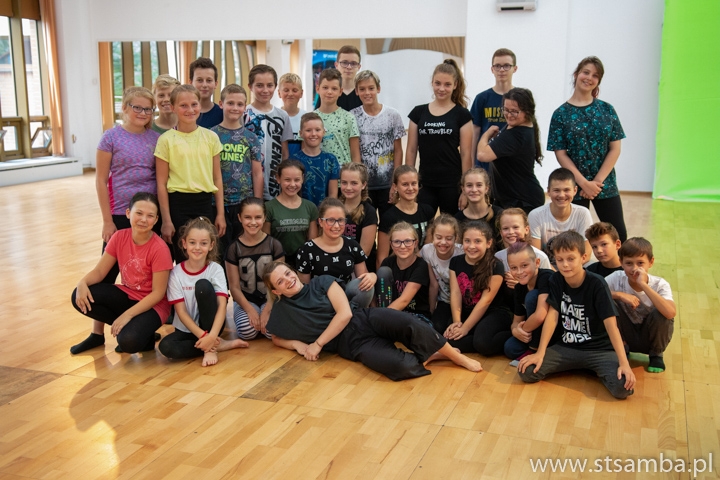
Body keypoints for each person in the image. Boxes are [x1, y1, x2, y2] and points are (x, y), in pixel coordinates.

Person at [263, 262, 483, 381]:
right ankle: (431, 355)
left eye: (288, 273)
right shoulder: (282, 311)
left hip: (364, 319)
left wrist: (318, 344)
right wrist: (297, 345)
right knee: (400, 367)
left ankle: (457, 357)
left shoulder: (321, 282)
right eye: (280, 281)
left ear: (294, 271)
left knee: (409, 323)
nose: (288, 280)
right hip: (351, 345)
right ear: (276, 291)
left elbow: (345, 314)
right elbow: (276, 337)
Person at [517, 231, 636, 399]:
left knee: (622, 387)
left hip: (600, 350)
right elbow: (552, 317)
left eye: (571, 259)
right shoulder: (556, 280)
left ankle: (595, 366)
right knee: (527, 372)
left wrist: (624, 363)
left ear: (583, 257)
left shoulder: (597, 283)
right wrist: (540, 352)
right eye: (560, 260)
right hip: (567, 347)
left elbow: (611, 326)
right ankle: (581, 366)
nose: (565, 265)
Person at [70, 193, 172, 355]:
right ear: (128, 213)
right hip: (128, 295)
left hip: (154, 305)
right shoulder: (119, 237)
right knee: (79, 296)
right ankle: (138, 331)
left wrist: (127, 316)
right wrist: (82, 283)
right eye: (139, 213)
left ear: (156, 220)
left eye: (150, 216)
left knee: (127, 342)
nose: (143, 219)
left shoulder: (160, 249)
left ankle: (142, 333)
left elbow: (158, 293)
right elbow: (100, 271)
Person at [547, 56, 628, 242]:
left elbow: (615, 148)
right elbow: (561, 154)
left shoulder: (607, 109)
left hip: (604, 184)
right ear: (576, 74)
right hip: (573, 186)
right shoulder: (560, 114)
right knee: (574, 240)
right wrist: (583, 184)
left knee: (619, 236)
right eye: (586, 72)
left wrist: (596, 183)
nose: (589, 77)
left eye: (595, 75)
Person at [158, 218, 248, 366]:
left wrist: (212, 335)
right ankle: (216, 345)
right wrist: (205, 337)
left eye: (203, 243)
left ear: (211, 245)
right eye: (192, 242)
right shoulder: (175, 273)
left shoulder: (216, 269)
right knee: (166, 347)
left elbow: (222, 306)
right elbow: (181, 312)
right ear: (184, 244)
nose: (197, 247)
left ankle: (211, 347)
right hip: (187, 329)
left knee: (203, 286)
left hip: (212, 327)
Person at [96, 86, 161, 284]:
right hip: (120, 213)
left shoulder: (156, 139)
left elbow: (160, 179)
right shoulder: (110, 137)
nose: (143, 113)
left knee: (147, 273)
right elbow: (101, 181)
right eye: (137, 107)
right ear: (124, 107)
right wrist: (107, 221)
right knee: (106, 275)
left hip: (149, 214)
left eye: (148, 109)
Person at [155, 84, 225, 260]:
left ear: (200, 105)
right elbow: (161, 184)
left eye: (194, 104)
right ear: (173, 107)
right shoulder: (165, 140)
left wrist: (220, 214)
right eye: (183, 105)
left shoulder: (211, 137)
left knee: (207, 256)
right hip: (178, 205)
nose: (190, 110)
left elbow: (217, 178)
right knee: (184, 257)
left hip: (204, 203)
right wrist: (166, 220)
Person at [407, 59, 473, 214]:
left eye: (447, 84)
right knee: (423, 226)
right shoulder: (418, 113)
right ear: (432, 83)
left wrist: (466, 189)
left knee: (451, 226)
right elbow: (411, 150)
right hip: (424, 184)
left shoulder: (462, 115)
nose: (441, 88)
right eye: (438, 83)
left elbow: (466, 154)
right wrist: (409, 182)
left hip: (452, 184)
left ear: (455, 85)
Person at [606, 237, 675, 373]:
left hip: (649, 336)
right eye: (629, 263)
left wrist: (643, 284)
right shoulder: (616, 278)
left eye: (640, 263)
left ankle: (656, 354)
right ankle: (622, 349)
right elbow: (594, 294)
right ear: (621, 262)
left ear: (651, 262)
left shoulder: (660, 284)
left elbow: (670, 312)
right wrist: (619, 294)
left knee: (661, 312)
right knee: (608, 301)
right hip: (625, 334)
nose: (634, 269)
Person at [444, 220, 512, 356]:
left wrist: (465, 328)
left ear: (488, 243)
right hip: (468, 310)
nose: (471, 246)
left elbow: (486, 301)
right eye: (467, 241)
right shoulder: (455, 262)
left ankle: (511, 334)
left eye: (477, 241)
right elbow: (456, 293)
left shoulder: (495, 265)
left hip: (494, 312)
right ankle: (476, 335)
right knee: (447, 338)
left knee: (483, 344)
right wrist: (457, 323)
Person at [210, 84, 263, 255]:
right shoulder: (211, 135)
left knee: (244, 250)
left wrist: (257, 204)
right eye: (230, 103)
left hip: (244, 203)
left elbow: (257, 173)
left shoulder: (251, 138)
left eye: (240, 104)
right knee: (221, 250)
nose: (235, 108)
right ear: (221, 104)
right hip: (218, 203)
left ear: (245, 107)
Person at [295, 198, 375, 307]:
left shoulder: (352, 245)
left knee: (366, 287)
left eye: (340, 220)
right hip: (319, 301)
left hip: (346, 298)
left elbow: (363, 277)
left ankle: (355, 315)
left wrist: (372, 276)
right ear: (320, 222)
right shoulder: (307, 250)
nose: (336, 226)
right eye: (331, 220)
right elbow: (304, 289)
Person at [476, 87, 545, 214]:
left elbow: (482, 155)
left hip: (522, 201)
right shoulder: (520, 125)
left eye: (514, 111)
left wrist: (486, 135)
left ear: (527, 111)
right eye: (506, 109)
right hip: (510, 198)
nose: (508, 115)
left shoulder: (516, 135)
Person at [225, 197, 285, 341]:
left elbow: (279, 283)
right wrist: (250, 310)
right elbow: (234, 288)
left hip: (270, 298)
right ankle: (251, 316)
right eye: (247, 217)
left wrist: (267, 309)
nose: (253, 222)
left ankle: (265, 317)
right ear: (239, 218)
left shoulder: (274, 245)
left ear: (264, 218)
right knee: (247, 331)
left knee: (271, 331)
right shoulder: (234, 249)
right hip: (246, 300)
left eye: (258, 217)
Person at [350, 70, 405, 215]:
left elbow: (398, 150)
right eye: (362, 89)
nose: (367, 92)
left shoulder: (393, 115)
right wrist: (358, 182)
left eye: (371, 88)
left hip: (388, 184)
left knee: (389, 222)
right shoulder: (352, 116)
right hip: (365, 185)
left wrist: (396, 182)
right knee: (366, 222)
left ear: (378, 89)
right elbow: (355, 153)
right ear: (356, 91)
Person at [244, 64, 293, 200]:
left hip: (274, 186)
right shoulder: (243, 114)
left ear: (275, 86)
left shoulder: (282, 116)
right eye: (259, 85)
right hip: (248, 185)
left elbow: (285, 153)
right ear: (250, 86)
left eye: (270, 85)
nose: (265, 90)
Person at [376, 165, 435, 269]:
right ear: (395, 187)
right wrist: (383, 277)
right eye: (405, 184)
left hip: (422, 269)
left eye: (414, 183)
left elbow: (429, 247)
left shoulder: (427, 211)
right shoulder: (389, 217)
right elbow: (382, 257)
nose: (410, 188)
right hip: (397, 270)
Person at [263, 159, 318, 266]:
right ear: (278, 178)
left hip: (303, 263)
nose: (292, 184)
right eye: (287, 180)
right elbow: (266, 242)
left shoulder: (310, 207)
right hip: (277, 263)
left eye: (297, 180)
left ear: (302, 179)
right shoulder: (268, 207)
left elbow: (312, 242)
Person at [528, 167, 593, 258]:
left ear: (575, 190)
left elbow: (587, 253)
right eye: (556, 190)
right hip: (546, 265)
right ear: (549, 191)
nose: (562, 195)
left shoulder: (583, 213)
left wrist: (567, 266)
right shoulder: (536, 215)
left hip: (576, 264)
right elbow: (536, 255)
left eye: (566, 190)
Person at [503, 242, 552, 360]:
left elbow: (540, 315)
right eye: (514, 268)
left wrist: (522, 330)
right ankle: (535, 348)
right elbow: (516, 320)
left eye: (524, 265)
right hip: (532, 331)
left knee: (532, 296)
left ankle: (535, 349)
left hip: (554, 331)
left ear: (537, 263)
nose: (519, 272)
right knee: (510, 348)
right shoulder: (519, 288)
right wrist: (515, 331)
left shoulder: (546, 277)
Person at [471, 48, 518, 171]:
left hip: (512, 164)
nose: (501, 70)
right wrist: (472, 165)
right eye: (497, 66)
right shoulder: (482, 98)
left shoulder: (520, 98)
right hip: (485, 165)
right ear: (492, 69)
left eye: (506, 66)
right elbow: (475, 133)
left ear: (515, 68)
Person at [376, 222, 431, 322]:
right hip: (391, 312)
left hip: (416, 315)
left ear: (415, 243)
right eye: (397, 242)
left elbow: (404, 300)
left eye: (408, 241)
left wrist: (380, 318)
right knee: (383, 272)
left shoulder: (421, 265)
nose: (402, 246)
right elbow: (378, 294)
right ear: (391, 245)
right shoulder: (388, 262)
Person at [419, 214, 464, 334]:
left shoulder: (462, 252)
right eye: (438, 237)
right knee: (436, 329)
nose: (443, 242)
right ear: (432, 236)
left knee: (454, 331)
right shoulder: (427, 251)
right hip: (444, 301)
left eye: (449, 238)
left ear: (456, 238)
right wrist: (431, 312)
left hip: (463, 302)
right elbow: (433, 285)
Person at [494, 208, 552, 289]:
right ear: (501, 232)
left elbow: (548, 286)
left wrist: (520, 286)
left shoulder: (540, 256)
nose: (511, 232)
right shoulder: (498, 257)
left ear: (526, 229)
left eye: (515, 227)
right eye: (505, 228)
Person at [314, 68, 360, 166]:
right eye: (325, 87)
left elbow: (355, 155)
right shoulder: (311, 119)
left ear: (340, 91)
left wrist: (357, 173)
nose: (329, 92)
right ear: (318, 89)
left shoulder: (349, 118)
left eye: (334, 89)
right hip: (317, 172)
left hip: (344, 174)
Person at [292, 112, 340, 205]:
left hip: (325, 210)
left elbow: (333, 195)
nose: (313, 134)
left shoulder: (331, 160)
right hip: (301, 210)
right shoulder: (294, 160)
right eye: (308, 130)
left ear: (323, 132)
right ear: (301, 133)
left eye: (317, 130)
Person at [340, 163, 378, 273]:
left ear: (363, 185)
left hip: (360, 268)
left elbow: (364, 252)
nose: (348, 187)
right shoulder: (334, 208)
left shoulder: (369, 211)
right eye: (344, 183)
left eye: (354, 183)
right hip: (336, 264)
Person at [454, 167, 503, 245]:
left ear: (486, 188)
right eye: (469, 185)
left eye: (479, 185)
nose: (474, 190)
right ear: (463, 189)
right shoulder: (457, 219)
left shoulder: (499, 215)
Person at [313, 45, 363, 111]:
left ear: (359, 67)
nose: (349, 67)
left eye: (353, 63)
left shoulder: (363, 93)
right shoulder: (328, 93)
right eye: (344, 63)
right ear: (336, 65)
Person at [190, 57, 223, 129]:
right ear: (191, 83)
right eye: (199, 80)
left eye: (209, 80)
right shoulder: (184, 113)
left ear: (216, 84)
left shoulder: (223, 114)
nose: (204, 85)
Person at [278, 73, 306, 158]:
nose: (290, 94)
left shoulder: (306, 117)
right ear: (279, 93)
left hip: (300, 163)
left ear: (301, 93)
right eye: (286, 90)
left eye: (294, 90)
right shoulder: (275, 117)